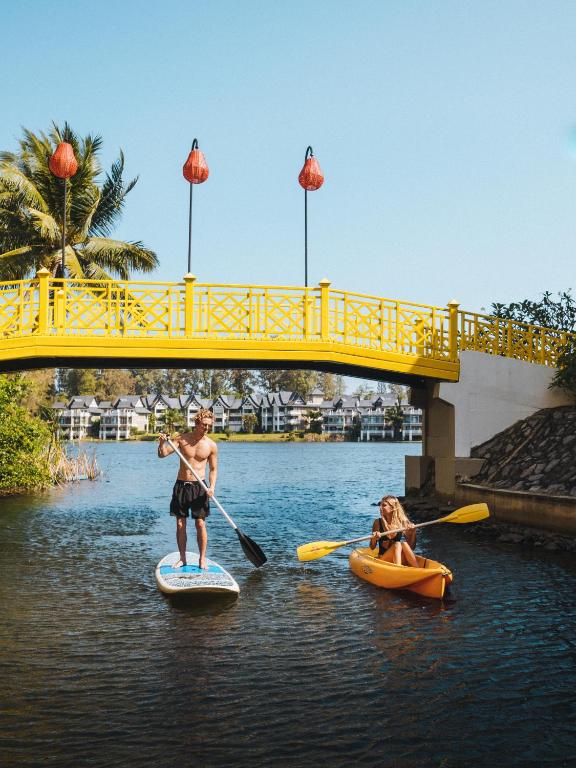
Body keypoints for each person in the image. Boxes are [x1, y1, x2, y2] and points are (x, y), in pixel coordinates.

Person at [157, 408, 218, 569]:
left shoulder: (211, 445)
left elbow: (213, 469)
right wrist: (162, 443)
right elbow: (162, 454)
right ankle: (182, 558)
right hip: (182, 485)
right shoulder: (182, 440)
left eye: (209, 426)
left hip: (200, 487)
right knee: (180, 524)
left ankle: (202, 559)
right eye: (204, 425)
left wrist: (211, 487)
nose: (206, 428)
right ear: (197, 423)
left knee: (200, 524)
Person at [369, 495, 418, 567]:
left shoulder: (403, 522)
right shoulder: (378, 522)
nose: (380, 508)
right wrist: (374, 538)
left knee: (404, 543)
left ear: (393, 508)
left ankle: (417, 569)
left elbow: (412, 547)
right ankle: (398, 569)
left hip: (398, 558)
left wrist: (413, 532)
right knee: (398, 544)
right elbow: (372, 547)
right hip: (384, 559)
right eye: (380, 505)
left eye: (384, 505)